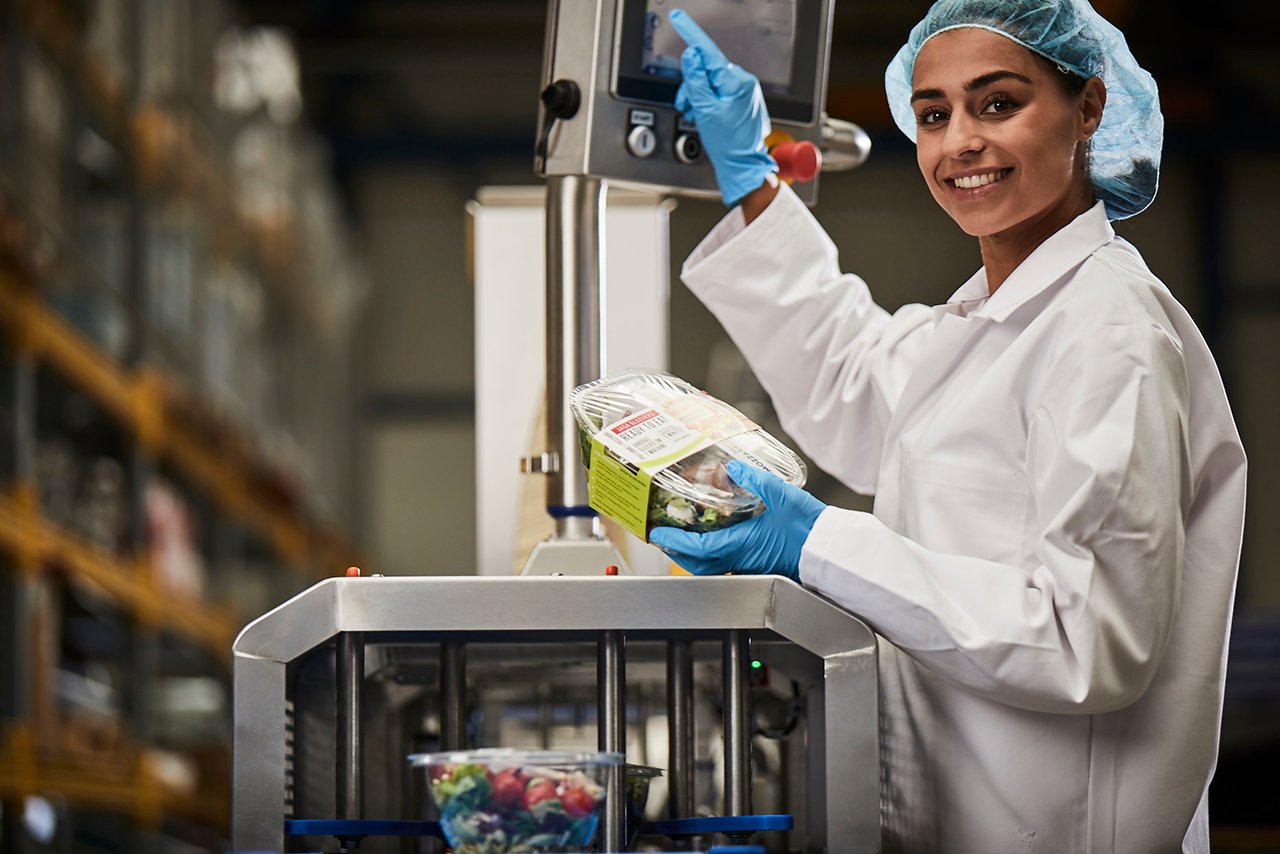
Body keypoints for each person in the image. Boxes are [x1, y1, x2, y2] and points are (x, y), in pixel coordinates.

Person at [648, 2, 1247, 852]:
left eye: (998, 103)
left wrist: (817, 541)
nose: (960, 141)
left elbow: (1086, 640)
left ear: (1088, 108)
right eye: (934, 115)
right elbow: (853, 381)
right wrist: (751, 179)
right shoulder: (987, 324)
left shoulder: (1109, 333)